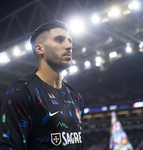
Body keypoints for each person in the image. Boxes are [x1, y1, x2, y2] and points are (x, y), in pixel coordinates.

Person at [0, 21, 84, 150]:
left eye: (69, 41)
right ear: (40, 49)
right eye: (59, 40)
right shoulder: (22, 92)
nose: (69, 46)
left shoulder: (75, 96)